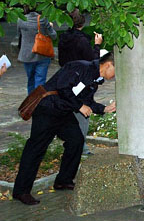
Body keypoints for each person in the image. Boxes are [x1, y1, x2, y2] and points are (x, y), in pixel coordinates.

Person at [12, 53, 117, 205]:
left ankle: (63, 180)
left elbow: (87, 101)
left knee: (76, 141)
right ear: (108, 65)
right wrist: (80, 106)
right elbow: (62, 88)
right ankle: (21, 191)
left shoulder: (95, 80)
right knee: (36, 148)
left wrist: (104, 108)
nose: (114, 76)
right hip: (48, 109)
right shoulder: (79, 67)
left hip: (63, 112)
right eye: (115, 71)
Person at [58, 9, 103, 156]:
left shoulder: (63, 37)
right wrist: (97, 45)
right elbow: (92, 61)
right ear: (83, 22)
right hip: (81, 81)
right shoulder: (82, 40)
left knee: (72, 112)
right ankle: (79, 148)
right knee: (83, 114)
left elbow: (61, 60)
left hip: (66, 78)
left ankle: (74, 145)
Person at [17, 7, 57, 94]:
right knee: (40, 80)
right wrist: (50, 27)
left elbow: (19, 34)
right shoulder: (43, 19)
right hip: (42, 54)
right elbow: (53, 35)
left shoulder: (21, 20)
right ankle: (38, 102)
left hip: (26, 54)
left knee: (30, 79)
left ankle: (30, 102)